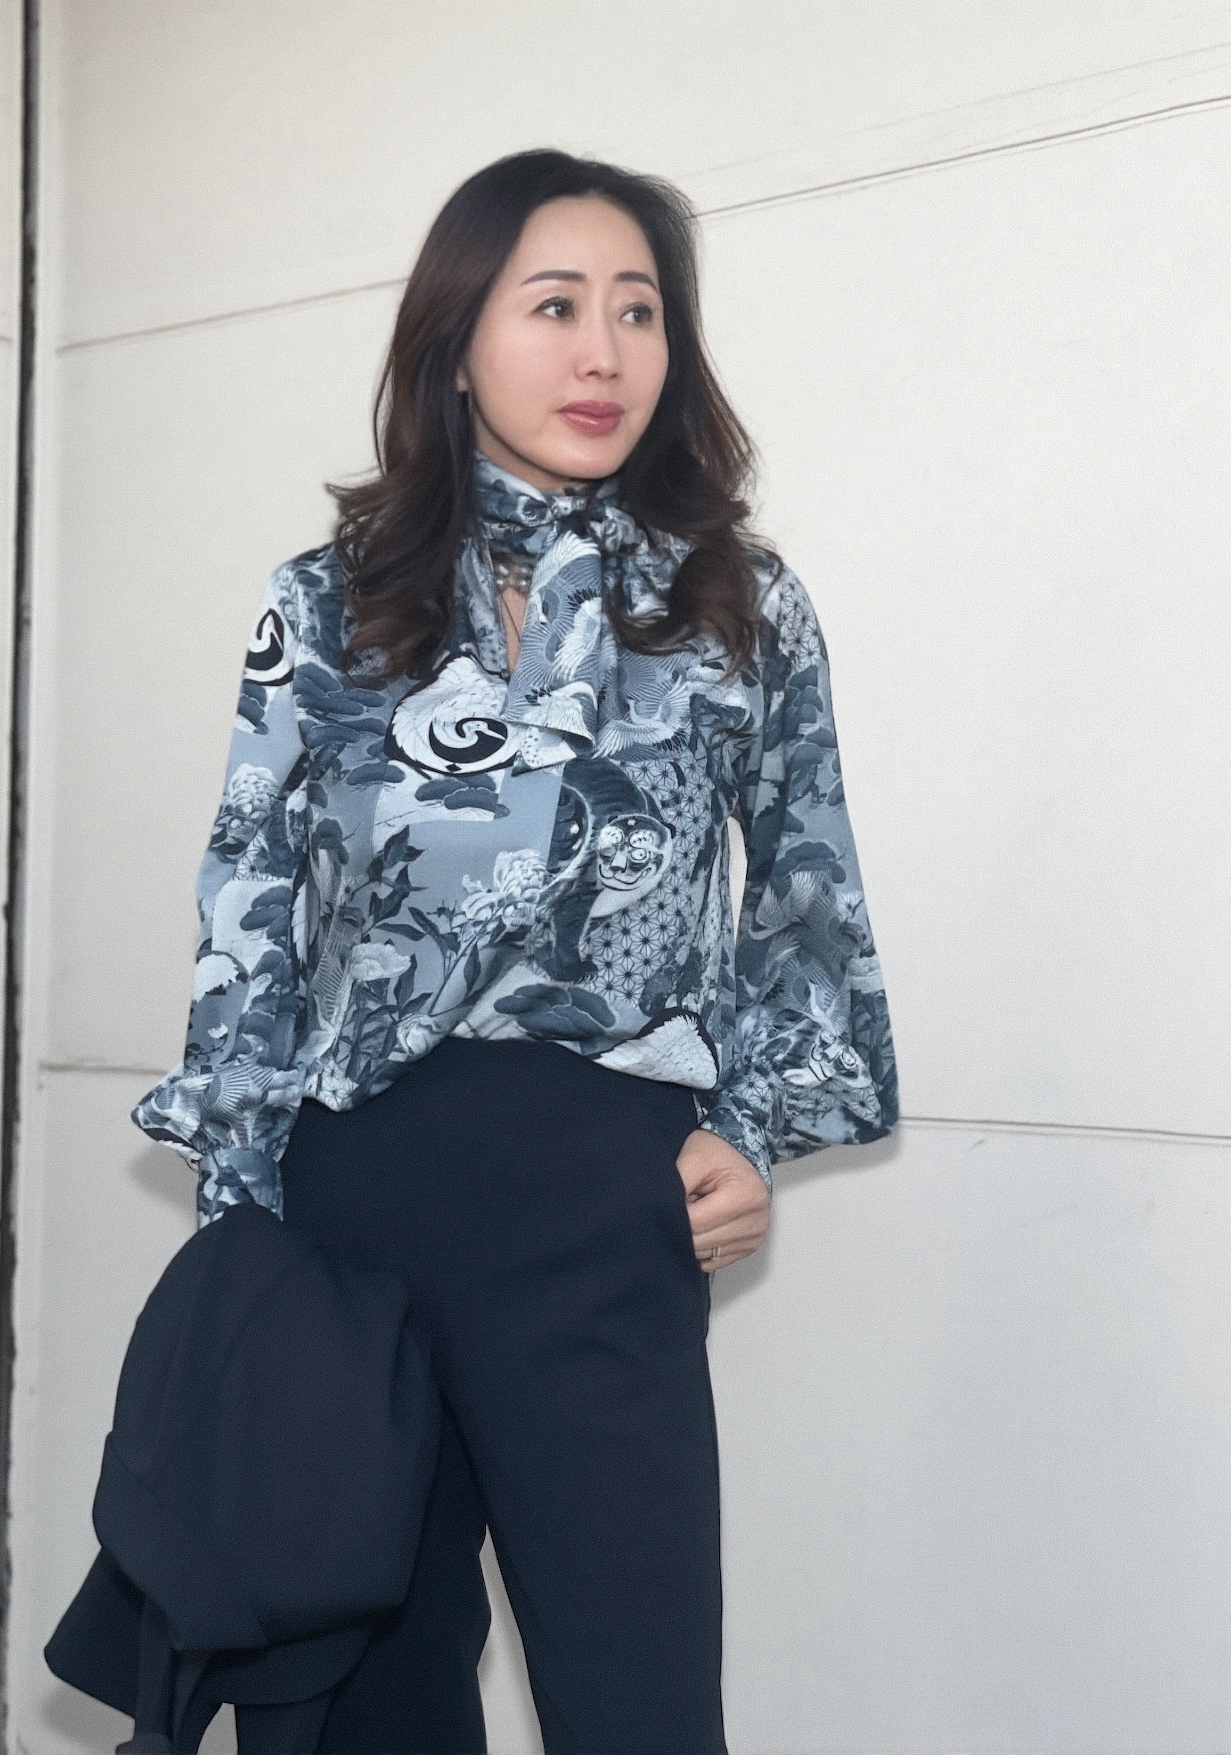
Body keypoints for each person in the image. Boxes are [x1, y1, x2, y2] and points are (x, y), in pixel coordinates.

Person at [132, 148, 898, 1755]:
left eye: (639, 310)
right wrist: (242, 1225)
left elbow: (808, 894)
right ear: (458, 335)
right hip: (353, 1207)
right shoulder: (328, 602)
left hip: (606, 1207)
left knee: (638, 1704)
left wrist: (750, 1130)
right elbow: (247, 911)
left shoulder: (737, 602)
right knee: (363, 1711)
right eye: (555, 306)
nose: (604, 352)